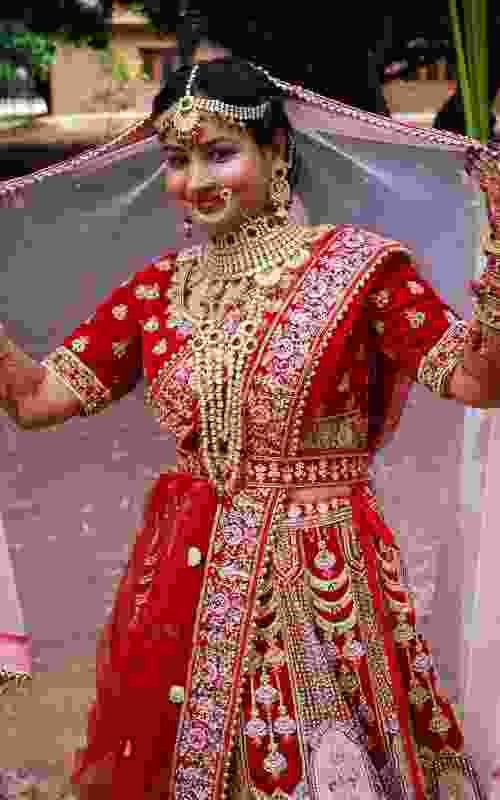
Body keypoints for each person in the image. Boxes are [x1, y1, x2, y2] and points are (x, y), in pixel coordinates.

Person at [1, 55, 500, 800]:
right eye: (178, 161)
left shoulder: (358, 270)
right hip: (189, 581)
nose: (195, 181)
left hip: (323, 582)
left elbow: (478, 381)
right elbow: (38, 399)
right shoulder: (156, 291)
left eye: (219, 153)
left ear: (276, 154)